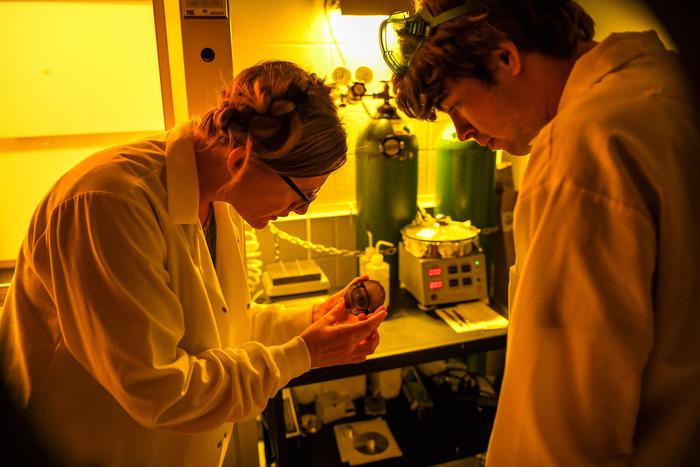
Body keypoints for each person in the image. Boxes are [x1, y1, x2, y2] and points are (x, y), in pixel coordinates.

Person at [0, 60, 387, 466]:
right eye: (303, 194)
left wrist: (311, 319)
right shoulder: (109, 203)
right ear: (241, 161)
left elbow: (220, 330)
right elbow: (163, 391)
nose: (301, 212)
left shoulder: (217, 197)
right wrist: (303, 354)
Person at [382, 0, 700, 465]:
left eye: (458, 106)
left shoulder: (580, 153)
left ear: (504, 58)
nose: (462, 131)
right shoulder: (669, 85)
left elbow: (561, 430)